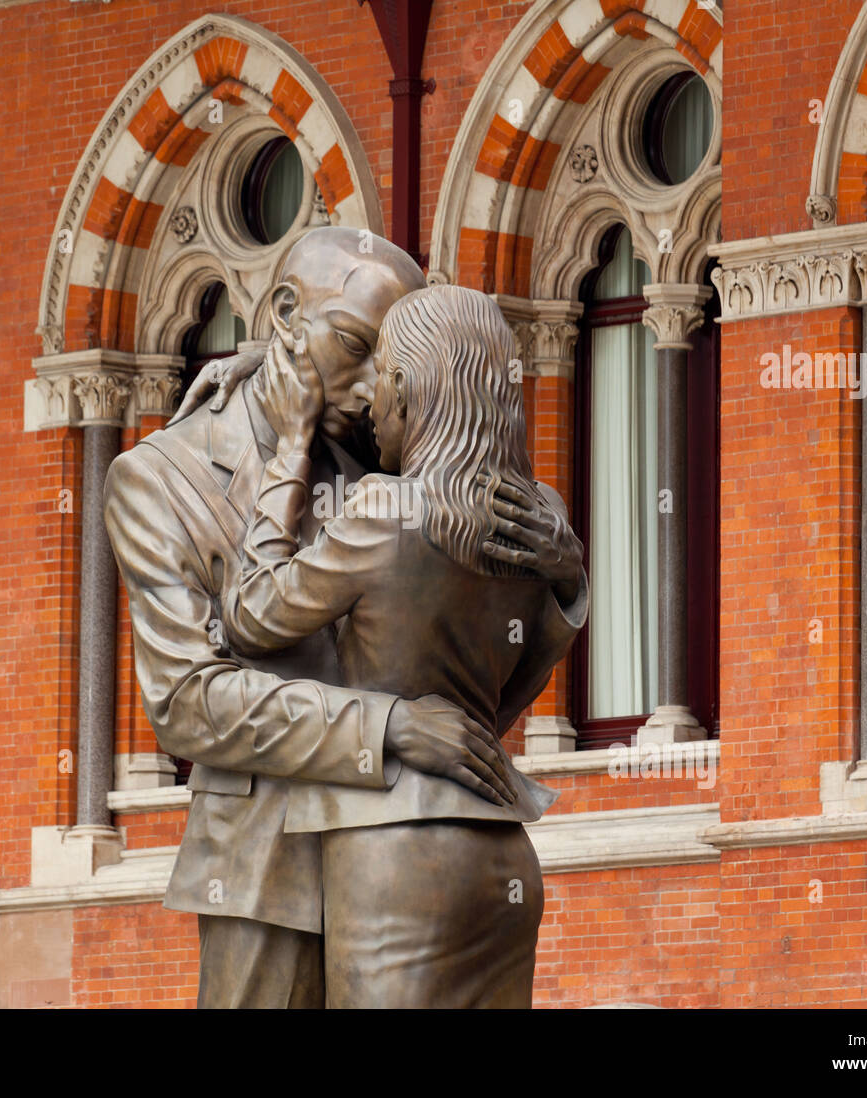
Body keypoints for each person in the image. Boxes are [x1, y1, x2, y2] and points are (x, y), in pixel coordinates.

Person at [104, 228, 583, 1007]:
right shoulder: (161, 478)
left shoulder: (396, 445)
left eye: (384, 360)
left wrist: (560, 588)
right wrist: (388, 727)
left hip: (418, 854)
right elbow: (188, 704)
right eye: (354, 346)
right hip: (267, 877)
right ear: (286, 313)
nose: (370, 387)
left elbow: (481, 670)